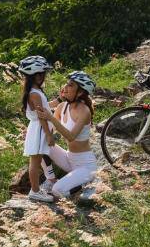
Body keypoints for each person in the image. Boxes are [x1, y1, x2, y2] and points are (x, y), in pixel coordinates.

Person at [35, 70, 98, 199]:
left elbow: (71, 136)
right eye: (67, 84)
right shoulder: (62, 107)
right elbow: (50, 129)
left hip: (85, 166)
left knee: (58, 191)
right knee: (39, 141)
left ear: (80, 92)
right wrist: (37, 131)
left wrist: (50, 118)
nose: (65, 87)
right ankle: (51, 179)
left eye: (71, 85)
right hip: (69, 159)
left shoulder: (84, 111)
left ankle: (87, 183)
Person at [19, 55, 58, 203]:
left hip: (37, 129)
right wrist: (48, 135)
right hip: (40, 130)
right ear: (34, 76)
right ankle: (34, 191)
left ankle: (37, 189)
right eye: (41, 74)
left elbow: (46, 108)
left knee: (37, 160)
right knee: (35, 162)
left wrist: (59, 100)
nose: (43, 77)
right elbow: (42, 116)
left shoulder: (34, 91)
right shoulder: (35, 94)